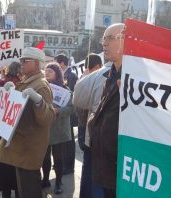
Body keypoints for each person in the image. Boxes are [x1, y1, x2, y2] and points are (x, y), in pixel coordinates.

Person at [0, 47, 55, 198]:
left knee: (29, 189)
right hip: (22, 144)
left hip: (29, 146)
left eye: (25, 61)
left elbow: (47, 118)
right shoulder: (29, 81)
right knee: (22, 188)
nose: (21, 63)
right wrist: (10, 94)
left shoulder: (41, 85)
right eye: (21, 60)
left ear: (36, 63)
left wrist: (39, 102)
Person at [88, 23, 125, 197]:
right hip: (105, 162)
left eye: (110, 38)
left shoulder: (137, 79)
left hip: (122, 165)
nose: (104, 43)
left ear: (127, 41)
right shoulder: (110, 76)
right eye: (104, 38)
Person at [73, 53, 107, 198]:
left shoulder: (91, 78)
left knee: (91, 175)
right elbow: (78, 105)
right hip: (93, 135)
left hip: (92, 135)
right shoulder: (99, 77)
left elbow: (77, 103)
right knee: (94, 176)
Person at [0, 62, 21, 198]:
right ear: (19, 71)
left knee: (3, 162)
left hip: (3, 127)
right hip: (19, 130)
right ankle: (19, 192)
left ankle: (5, 193)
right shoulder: (24, 83)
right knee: (18, 163)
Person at [42, 62, 74, 194]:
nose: (47, 72)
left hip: (59, 128)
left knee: (58, 157)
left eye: (50, 71)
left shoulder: (65, 90)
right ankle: (45, 179)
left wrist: (58, 111)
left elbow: (71, 108)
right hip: (44, 128)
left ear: (57, 73)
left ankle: (59, 181)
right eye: (46, 70)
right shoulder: (42, 87)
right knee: (44, 157)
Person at [54, 53, 78, 174]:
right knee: (63, 142)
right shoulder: (62, 75)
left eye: (56, 63)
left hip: (68, 113)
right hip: (59, 113)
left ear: (62, 63)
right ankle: (61, 163)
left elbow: (71, 94)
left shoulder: (72, 75)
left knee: (69, 141)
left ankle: (69, 166)